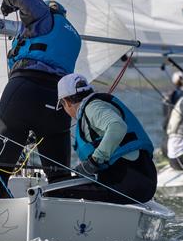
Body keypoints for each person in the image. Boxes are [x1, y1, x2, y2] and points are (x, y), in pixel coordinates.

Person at [0, 0, 82, 199]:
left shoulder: (45, 18)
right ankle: (63, 226)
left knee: (0, 170)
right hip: (56, 103)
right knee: (59, 177)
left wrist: (7, 3)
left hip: (24, 91)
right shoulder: (74, 35)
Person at [46, 73, 157, 204]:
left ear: (66, 102)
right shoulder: (95, 106)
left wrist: (94, 161)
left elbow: (117, 126)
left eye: (62, 106)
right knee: (64, 185)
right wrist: (85, 168)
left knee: (54, 190)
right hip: (140, 182)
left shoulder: (93, 108)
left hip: (128, 183)